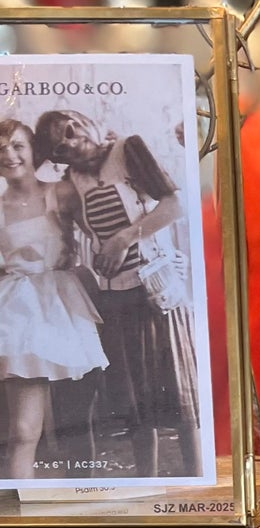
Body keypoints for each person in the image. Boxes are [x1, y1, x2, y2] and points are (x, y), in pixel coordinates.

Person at [34, 107, 201, 479]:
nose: (71, 144)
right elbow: (81, 236)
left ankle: (196, 479)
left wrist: (124, 239)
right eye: (60, 148)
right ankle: (146, 485)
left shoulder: (129, 149)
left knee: (180, 400)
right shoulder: (74, 180)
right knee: (136, 406)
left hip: (155, 291)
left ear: (81, 122)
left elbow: (174, 204)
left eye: (71, 131)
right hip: (115, 297)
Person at [0, 117, 107, 481]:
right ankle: (20, 506)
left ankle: (86, 500)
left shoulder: (60, 192)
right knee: (23, 431)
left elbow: (99, 234)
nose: (9, 155)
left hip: (66, 309)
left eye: (17, 146)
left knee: (78, 424)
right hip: (17, 312)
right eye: (1, 149)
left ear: (33, 150)